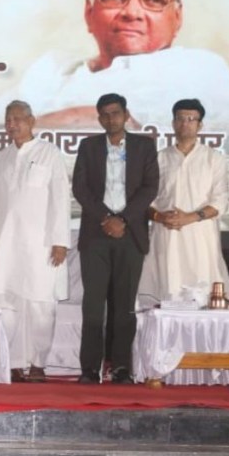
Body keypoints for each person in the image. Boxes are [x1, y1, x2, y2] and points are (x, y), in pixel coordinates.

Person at [0, 0, 229, 151]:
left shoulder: (200, 67)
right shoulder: (52, 69)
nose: (132, 12)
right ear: (89, 12)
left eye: (154, 0)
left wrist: (17, 128)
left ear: (178, 16)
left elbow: (116, 123)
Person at [0, 101, 70, 383]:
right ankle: (12, 363)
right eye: (8, 119)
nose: (12, 124)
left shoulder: (49, 153)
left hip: (41, 244)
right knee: (6, 305)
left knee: (42, 306)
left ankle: (38, 363)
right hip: (7, 243)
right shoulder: (3, 157)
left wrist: (60, 241)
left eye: (18, 119)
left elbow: (61, 198)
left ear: (32, 121)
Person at [73, 93, 158, 384]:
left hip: (130, 234)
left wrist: (123, 220)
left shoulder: (145, 146)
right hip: (96, 235)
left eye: (116, 113)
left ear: (126, 115)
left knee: (124, 307)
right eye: (105, 115)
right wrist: (105, 219)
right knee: (93, 307)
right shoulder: (88, 147)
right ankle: (89, 369)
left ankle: (121, 368)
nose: (111, 119)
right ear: (99, 119)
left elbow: (150, 187)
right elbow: (80, 188)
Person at [137, 99, 229, 305]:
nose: (185, 123)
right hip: (167, 235)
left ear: (200, 125)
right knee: (166, 295)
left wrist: (189, 217)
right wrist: (160, 217)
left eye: (191, 119)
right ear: (173, 123)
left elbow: (220, 201)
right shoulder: (159, 159)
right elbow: (144, 201)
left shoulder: (214, 158)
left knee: (203, 295)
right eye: (180, 118)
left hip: (200, 236)